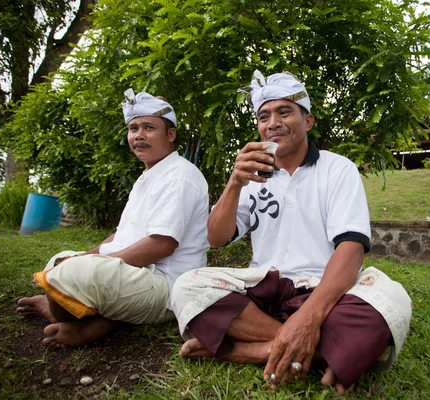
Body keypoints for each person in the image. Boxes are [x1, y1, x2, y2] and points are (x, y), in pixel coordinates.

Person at [171, 71, 412, 395]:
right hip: (267, 288)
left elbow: (352, 247)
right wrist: (234, 183)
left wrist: (310, 318)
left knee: (393, 300)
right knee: (186, 286)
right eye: (264, 116)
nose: (273, 122)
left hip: (325, 291)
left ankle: (253, 349)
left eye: (284, 112)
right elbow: (216, 238)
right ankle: (323, 352)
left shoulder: (337, 168)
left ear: (308, 120)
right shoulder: (253, 177)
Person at [17, 89, 209, 348]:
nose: (139, 135)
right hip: (137, 276)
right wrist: (85, 256)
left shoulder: (181, 175)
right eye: (133, 128)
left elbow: (161, 245)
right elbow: (121, 236)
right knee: (62, 260)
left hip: (167, 287)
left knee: (71, 273)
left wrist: (92, 264)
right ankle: (94, 323)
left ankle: (70, 319)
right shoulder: (147, 177)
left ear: (170, 134)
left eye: (149, 127)